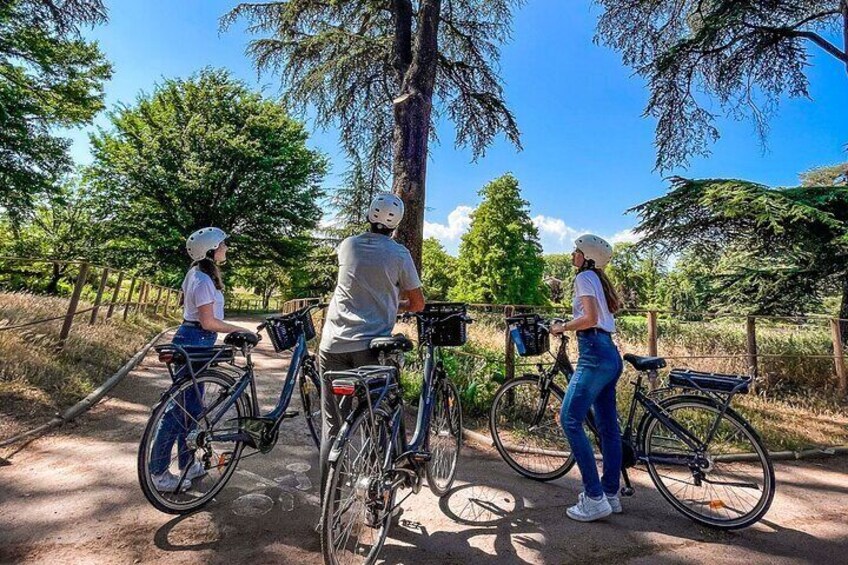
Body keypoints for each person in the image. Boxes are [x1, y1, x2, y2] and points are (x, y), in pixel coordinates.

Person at [318, 193, 425, 493]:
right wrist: (394, 304)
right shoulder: (399, 255)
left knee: (333, 426)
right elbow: (418, 303)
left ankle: (329, 506)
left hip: (332, 344)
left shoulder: (347, 245)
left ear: (369, 215)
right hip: (370, 349)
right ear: (397, 224)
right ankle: (375, 498)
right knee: (376, 422)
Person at [149, 227, 250, 492]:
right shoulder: (203, 280)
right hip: (196, 339)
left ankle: (187, 463)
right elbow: (207, 322)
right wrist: (240, 330)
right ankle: (158, 473)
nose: (225, 249)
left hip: (194, 339)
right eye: (222, 245)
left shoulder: (198, 274)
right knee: (177, 411)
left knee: (192, 408)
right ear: (210, 250)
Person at [550, 234, 624, 522]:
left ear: (587, 257)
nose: (572, 255)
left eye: (576, 251)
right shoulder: (597, 280)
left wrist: (561, 327)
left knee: (569, 419)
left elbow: (590, 318)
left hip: (593, 352)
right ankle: (610, 493)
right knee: (608, 427)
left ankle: (593, 498)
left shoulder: (584, 278)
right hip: (609, 354)